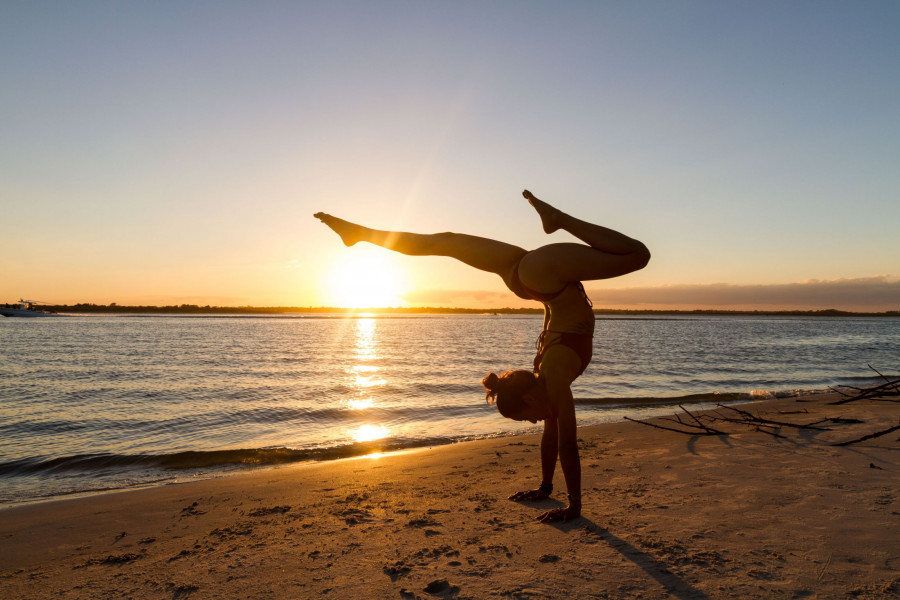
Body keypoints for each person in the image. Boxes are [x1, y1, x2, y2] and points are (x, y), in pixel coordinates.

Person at [314, 190, 650, 523]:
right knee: (445, 241)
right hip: (526, 278)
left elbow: (565, 444)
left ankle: (558, 220)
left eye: (527, 418)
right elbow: (558, 441)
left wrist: (571, 503)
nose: (535, 421)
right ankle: (360, 234)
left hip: (542, 277)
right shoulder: (550, 377)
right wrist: (548, 489)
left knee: (638, 255)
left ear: (530, 396)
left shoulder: (554, 374)